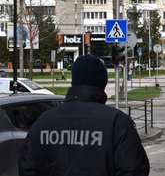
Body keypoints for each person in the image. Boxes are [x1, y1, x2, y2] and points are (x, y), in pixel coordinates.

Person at [18, 55, 150, 176]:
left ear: (73, 82)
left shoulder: (44, 121)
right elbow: (134, 169)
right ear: (102, 84)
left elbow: (26, 168)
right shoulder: (116, 122)